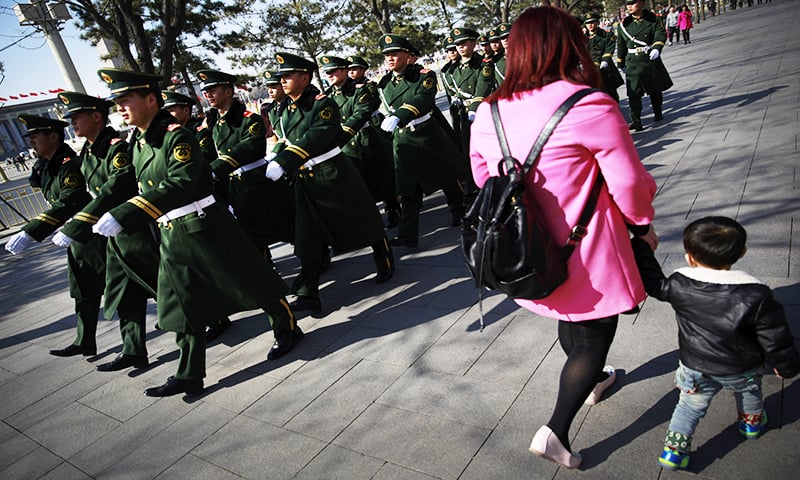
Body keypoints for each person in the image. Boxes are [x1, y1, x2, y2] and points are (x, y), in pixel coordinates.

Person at [469, 7, 658, 469]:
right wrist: (643, 226)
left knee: (571, 315)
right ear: (570, 45)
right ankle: (555, 429)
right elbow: (629, 182)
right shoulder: (589, 103)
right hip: (589, 242)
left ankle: (594, 381)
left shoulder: (488, 109)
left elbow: (480, 177)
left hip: (529, 249)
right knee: (596, 330)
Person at [92, 68, 302, 397]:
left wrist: (128, 213)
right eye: (116, 102)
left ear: (150, 99)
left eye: (125, 100)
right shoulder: (140, 142)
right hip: (171, 232)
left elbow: (182, 182)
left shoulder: (177, 136)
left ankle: (287, 324)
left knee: (249, 279)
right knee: (180, 302)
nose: (119, 107)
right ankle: (189, 373)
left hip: (204, 224)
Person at [631, 216, 800, 471]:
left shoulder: (679, 284)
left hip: (695, 366)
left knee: (688, 407)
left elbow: (654, 282)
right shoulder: (757, 295)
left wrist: (640, 247)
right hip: (743, 368)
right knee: (750, 394)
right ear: (742, 252)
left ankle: (674, 452)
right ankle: (751, 424)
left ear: (690, 257)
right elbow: (775, 337)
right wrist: (786, 366)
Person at [265, 52, 395, 314]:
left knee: (361, 219)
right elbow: (284, 137)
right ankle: (308, 292)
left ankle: (384, 256)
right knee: (308, 235)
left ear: (304, 77)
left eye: (287, 76)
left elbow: (319, 134)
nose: (283, 81)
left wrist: (286, 159)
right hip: (304, 178)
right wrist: (274, 155)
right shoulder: (283, 109)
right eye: (281, 77)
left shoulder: (321, 104)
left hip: (331, 171)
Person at [51, 91, 159, 371]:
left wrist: (79, 223)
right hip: (113, 235)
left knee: (165, 285)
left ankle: (211, 318)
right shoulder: (87, 151)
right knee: (125, 293)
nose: (73, 124)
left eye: (77, 117)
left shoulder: (115, 147)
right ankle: (134, 350)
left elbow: (116, 187)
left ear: (96, 117)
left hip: (135, 231)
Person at [4, 115, 106, 358]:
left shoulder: (69, 164)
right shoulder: (48, 165)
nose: (31, 143)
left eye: (35, 137)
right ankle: (84, 341)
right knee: (83, 290)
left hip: (93, 232)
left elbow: (71, 200)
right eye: (29, 138)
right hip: (74, 236)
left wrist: (32, 230)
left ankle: (199, 317)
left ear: (53, 136)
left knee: (135, 283)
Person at [377, 34, 466, 247]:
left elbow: (425, 98)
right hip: (403, 138)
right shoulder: (385, 83)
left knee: (446, 175)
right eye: (386, 55)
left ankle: (459, 211)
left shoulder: (423, 75)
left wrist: (400, 114)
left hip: (426, 132)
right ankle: (408, 233)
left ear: (408, 56)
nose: (390, 58)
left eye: (394, 54)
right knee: (408, 187)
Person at [162, 89, 233, 341]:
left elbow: (202, 163)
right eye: (167, 109)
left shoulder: (197, 132)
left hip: (209, 198)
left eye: (173, 109)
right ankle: (215, 316)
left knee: (235, 265)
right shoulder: (161, 136)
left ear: (185, 110)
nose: (169, 113)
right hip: (180, 215)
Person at [318, 54, 401, 229]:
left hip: (367, 136)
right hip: (347, 144)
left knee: (382, 175)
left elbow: (361, 112)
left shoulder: (360, 89)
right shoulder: (327, 95)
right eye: (327, 73)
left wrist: (342, 133)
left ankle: (393, 209)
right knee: (359, 182)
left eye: (333, 71)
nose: (329, 75)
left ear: (344, 71)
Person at [617, 0, 673, 131]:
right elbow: (621, 45)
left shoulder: (654, 19)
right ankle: (636, 120)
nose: (629, 6)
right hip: (632, 62)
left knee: (654, 88)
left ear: (641, 3)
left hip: (648, 58)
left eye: (633, 3)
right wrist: (620, 62)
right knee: (633, 92)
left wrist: (657, 48)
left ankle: (658, 112)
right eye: (628, 4)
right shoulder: (624, 25)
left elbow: (660, 34)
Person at [584, 12, 624, 103]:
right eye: (587, 23)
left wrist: (605, 60)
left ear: (597, 23)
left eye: (592, 22)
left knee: (611, 92)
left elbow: (609, 48)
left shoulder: (606, 35)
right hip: (591, 70)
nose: (590, 25)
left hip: (605, 68)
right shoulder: (583, 38)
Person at [488, 23, 511, 89]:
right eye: (502, 38)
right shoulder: (496, 61)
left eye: (508, 36)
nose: (505, 40)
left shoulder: (524, 58)